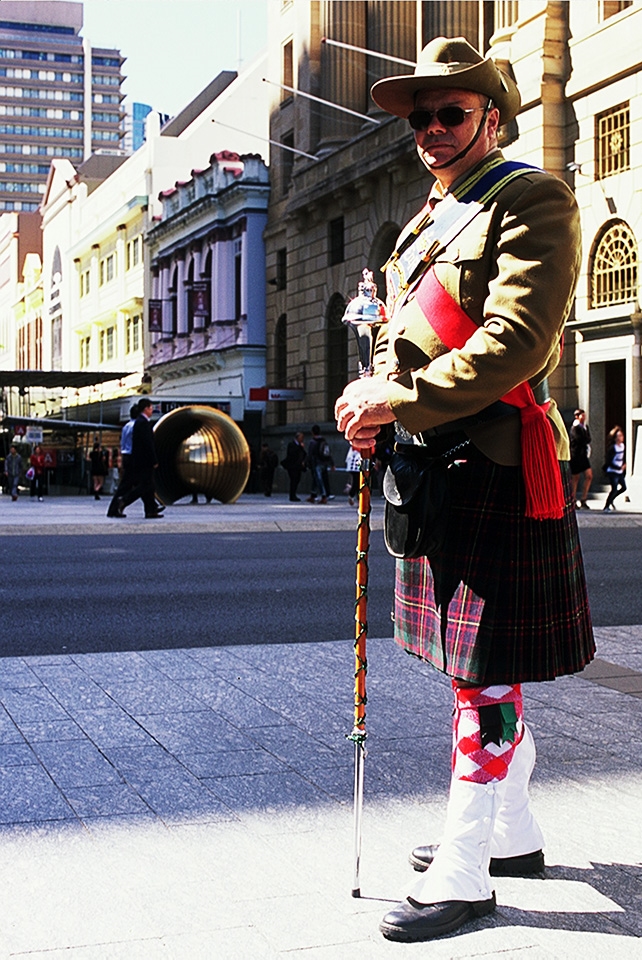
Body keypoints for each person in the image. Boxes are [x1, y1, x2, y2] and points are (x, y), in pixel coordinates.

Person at [335, 37, 595, 944]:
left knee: (484, 679)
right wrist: (370, 401)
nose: (431, 130)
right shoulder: (422, 223)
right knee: (468, 670)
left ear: (492, 115)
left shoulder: (531, 197)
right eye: (419, 117)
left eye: (450, 112)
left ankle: (466, 867)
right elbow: (393, 338)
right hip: (429, 466)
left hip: (493, 464)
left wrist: (398, 395)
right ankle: (511, 829)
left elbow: (518, 339)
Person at [118, 400, 163, 518]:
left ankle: (151, 510)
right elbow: (148, 444)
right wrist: (154, 460)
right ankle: (124, 500)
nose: (152, 410)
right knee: (145, 486)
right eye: (151, 407)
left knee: (149, 485)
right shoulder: (143, 423)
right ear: (146, 409)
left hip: (139, 460)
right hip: (145, 461)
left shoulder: (139, 422)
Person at [107, 403, 139, 517]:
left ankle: (151, 506)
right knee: (133, 484)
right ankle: (118, 505)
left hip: (126, 455)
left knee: (134, 483)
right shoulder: (136, 426)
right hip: (133, 457)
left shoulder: (126, 426)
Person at [570, 409, 593, 509]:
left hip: (583, 456)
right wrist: (585, 439)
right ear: (577, 416)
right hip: (576, 456)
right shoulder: (575, 428)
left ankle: (584, 498)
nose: (584, 418)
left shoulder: (585, 427)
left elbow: (588, 439)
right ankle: (573, 500)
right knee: (575, 478)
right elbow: (580, 439)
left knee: (589, 476)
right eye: (582, 416)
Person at [603, 425, 626, 511]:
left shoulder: (622, 446)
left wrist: (623, 465)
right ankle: (607, 505)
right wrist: (617, 467)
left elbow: (623, 457)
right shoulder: (613, 448)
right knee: (614, 488)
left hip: (619, 471)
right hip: (612, 471)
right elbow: (608, 461)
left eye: (621, 436)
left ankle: (612, 499)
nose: (620, 438)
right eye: (618, 436)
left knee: (624, 487)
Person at [307, 425, 332, 504]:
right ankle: (313, 495)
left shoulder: (313, 442)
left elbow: (310, 454)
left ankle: (323, 496)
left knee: (318, 479)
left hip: (316, 462)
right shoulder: (323, 441)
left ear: (312, 432)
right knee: (316, 479)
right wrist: (331, 463)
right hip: (324, 462)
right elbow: (328, 453)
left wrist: (307, 462)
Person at [281, 431, 307, 502]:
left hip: (298, 466)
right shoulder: (292, 444)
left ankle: (293, 494)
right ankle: (292, 495)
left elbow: (303, 454)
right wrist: (300, 447)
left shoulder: (300, 446)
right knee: (293, 480)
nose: (302, 439)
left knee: (297, 480)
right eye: (301, 437)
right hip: (292, 466)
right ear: (297, 437)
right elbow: (292, 454)